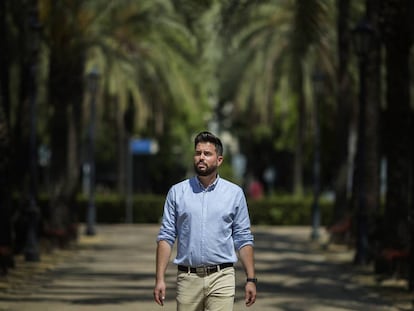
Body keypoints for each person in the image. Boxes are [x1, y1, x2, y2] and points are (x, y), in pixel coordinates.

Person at [154, 131, 257, 310]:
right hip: (188, 278)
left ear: (219, 160)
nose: (201, 157)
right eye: (198, 153)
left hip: (222, 277)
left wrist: (250, 279)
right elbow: (166, 236)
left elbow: (243, 237)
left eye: (207, 154)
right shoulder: (177, 193)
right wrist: (160, 279)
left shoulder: (234, 194)